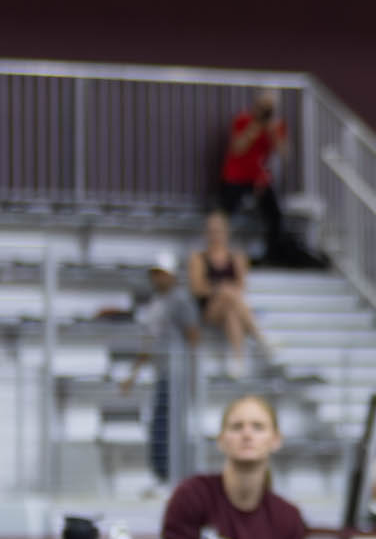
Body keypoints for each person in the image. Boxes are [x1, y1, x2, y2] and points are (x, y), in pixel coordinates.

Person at [157, 394, 305, 539]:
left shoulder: (288, 518)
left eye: (258, 427)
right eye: (237, 427)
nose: (247, 434)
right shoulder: (191, 496)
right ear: (221, 440)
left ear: (276, 440)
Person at [120, 251, 202, 488]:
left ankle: (174, 478)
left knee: (170, 425)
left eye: (161, 273)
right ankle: (163, 476)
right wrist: (132, 376)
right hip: (163, 373)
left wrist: (192, 375)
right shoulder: (156, 303)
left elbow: (193, 336)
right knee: (160, 425)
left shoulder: (181, 301)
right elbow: (150, 342)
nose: (156, 278)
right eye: (154, 273)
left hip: (176, 373)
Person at [189, 211, 271, 373]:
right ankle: (260, 337)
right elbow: (197, 289)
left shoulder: (237, 257)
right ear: (206, 233)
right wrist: (219, 289)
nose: (215, 235)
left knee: (231, 313)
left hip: (230, 306)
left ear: (226, 232)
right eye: (212, 231)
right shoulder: (198, 257)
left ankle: (237, 361)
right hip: (209, 309)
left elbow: (241, 287)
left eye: (218, 230)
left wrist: (224, 289)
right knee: (227, 292)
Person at [219, 88, 291, 262]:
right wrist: (255, 127)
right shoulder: (244, 120)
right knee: (224, 213)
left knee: (275, 214)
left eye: (270, 107)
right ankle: (219, 252)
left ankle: (272, 256)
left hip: (259, 179)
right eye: (263, 106)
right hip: (236, 176)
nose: (266, 111)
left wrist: (273, 131)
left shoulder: (276, 125)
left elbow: (285, 154)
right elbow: (237, 149)